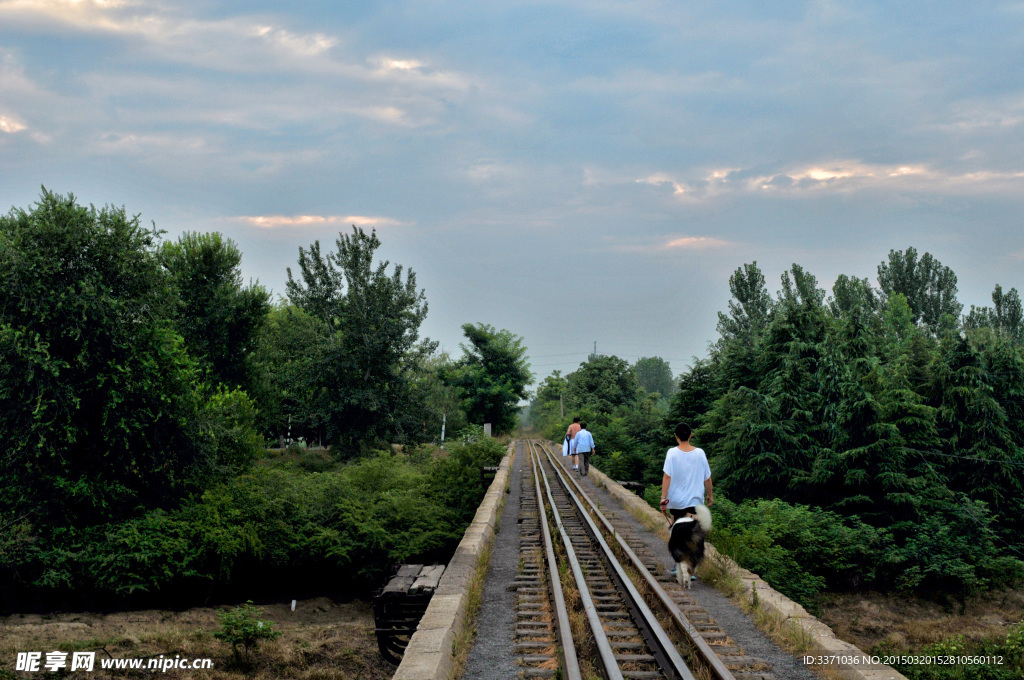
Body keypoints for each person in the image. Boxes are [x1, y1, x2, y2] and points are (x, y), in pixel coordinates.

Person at [660, 422, 712, 576]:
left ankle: (678, 566)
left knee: (677, 535)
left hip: (675, 501)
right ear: (690, 435)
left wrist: (663, 497)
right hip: (695, 502)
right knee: (695, 535)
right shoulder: (700, 453)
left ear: (676, 437)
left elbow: (667, 476)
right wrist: (710, 495)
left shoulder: (671, 453)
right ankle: (691, 569)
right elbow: (707, 478)